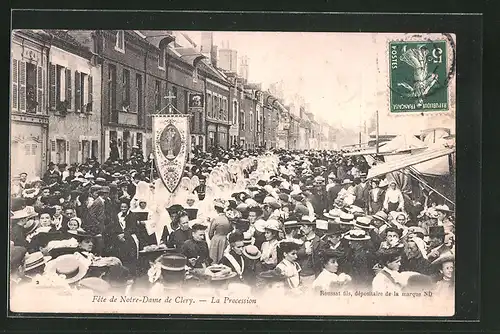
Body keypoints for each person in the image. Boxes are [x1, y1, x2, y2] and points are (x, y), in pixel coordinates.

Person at [296, 216, 328, 287]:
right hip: (299, 275)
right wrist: (305, 252)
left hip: (312, 275)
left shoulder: (321, 243)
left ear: (310, 228)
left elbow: (321, 262)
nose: (301, 228)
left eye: (304, 226)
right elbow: (295, 254)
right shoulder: (299, 240)